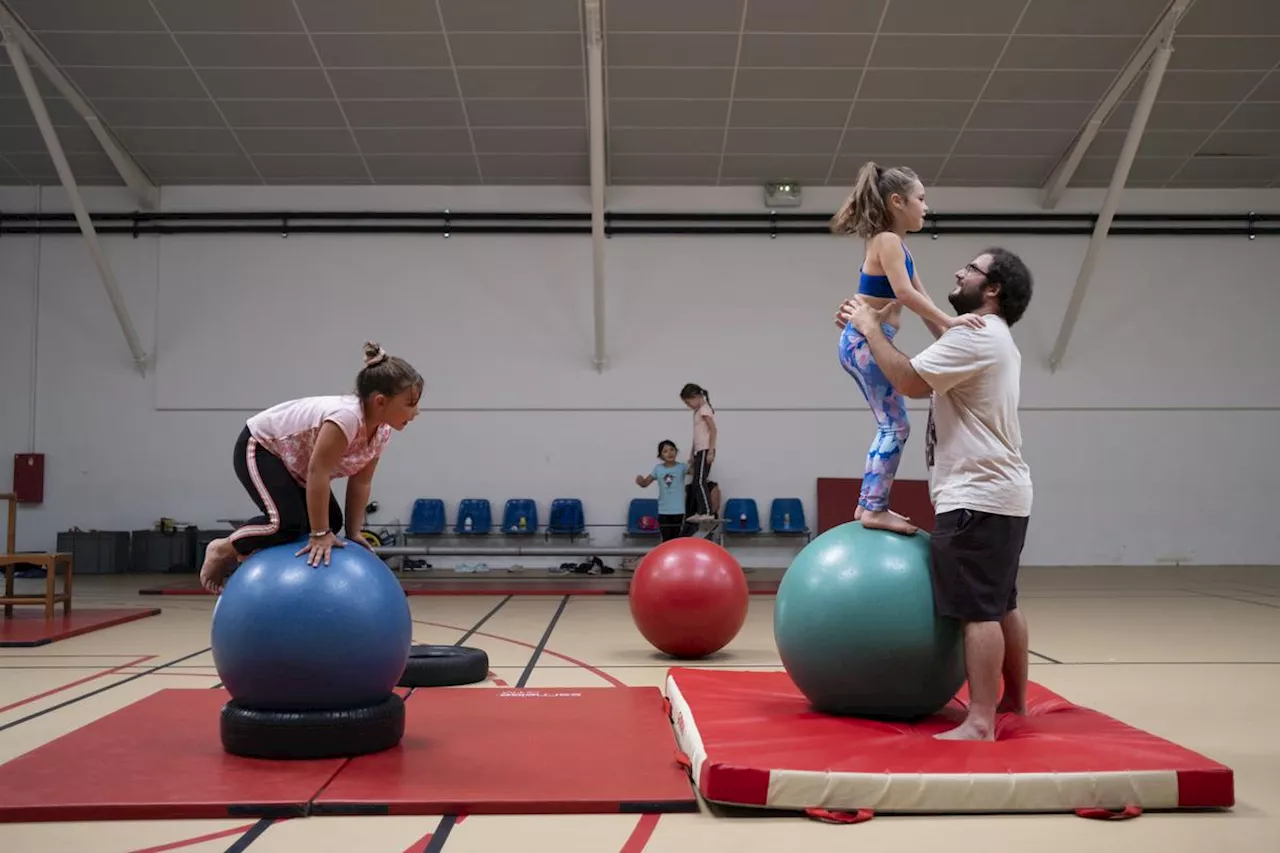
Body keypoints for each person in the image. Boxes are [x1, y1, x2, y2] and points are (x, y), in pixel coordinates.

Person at [837, 247, 1034, 743]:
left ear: (992, 290)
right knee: (1002, 600)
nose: (959, 271)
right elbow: (937, 320)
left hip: (975, 496)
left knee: (979, 611)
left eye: (970, 269)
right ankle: (1014, 702)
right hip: (1001, 492)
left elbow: (906, 381)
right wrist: (905, 273)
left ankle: (981, 721)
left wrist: (870, 328)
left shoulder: (975, 339)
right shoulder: (986, 336)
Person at [830, 162, 985, 536]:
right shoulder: (887, 241)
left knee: (894, 424)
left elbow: (922, 300)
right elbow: (904, 295)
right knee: (895, 426)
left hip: (867, 339)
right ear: (897, 202)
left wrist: (950, 339)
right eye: (921, 199)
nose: (926, 207)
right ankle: (873, 508)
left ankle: (869, 503)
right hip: (864, 340)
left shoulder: (896, 246)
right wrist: (950, 323)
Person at [198, 342, 423, 593]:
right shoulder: (346, 418)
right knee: (285, 523)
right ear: (380, 401)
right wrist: (318, 533)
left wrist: (354, 531)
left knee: (332, 522)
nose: (417, 411)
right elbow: (319, 473)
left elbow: (361, 481)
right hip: (262, 446)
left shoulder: (382, 431)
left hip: (297, 465)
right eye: (410, 403)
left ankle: (262, 552)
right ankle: (223, 548)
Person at [635, 440, 689, 542]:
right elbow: (645, 483)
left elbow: (697, 473)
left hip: (678, 510)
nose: (670, 453)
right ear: (661, 456)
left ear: (676, 452)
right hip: (664, 510)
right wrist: (640, 480)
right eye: (665, 451)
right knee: (666, 540)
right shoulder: (658, 469)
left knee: (676, 541)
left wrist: (696, 460)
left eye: (672, 450)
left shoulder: (682, 467)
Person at [680, 383, 717, 521]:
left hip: (705, 449)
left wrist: (711, 451)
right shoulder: (697, 412)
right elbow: (696, 436)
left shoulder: (704, 409)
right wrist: (692, 453)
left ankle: (707, 512)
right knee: (696, 482)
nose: (688, 406)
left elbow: (713, 430)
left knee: (700, 481)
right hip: (699, 450)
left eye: (688, 402)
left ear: (696, 397)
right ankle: (701, 511)